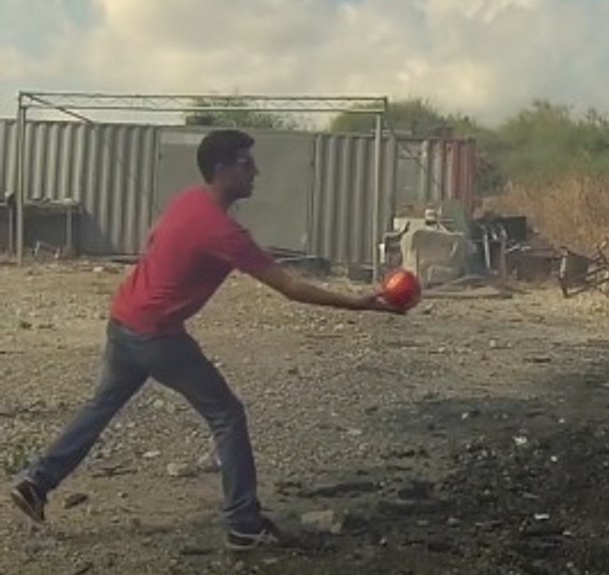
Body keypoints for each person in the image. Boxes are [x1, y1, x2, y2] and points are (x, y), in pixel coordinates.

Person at [8, 128, 403, 551]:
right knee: (227, 415)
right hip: (157, 335)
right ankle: (243, 523)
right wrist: (359, 303)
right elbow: (289, 287)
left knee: (101, 405)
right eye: (246, 163)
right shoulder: (224, 233)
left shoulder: (187, 201)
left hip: (124, 320)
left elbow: (156, 235)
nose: (257, 171)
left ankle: (37, 482)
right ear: (221, 169)